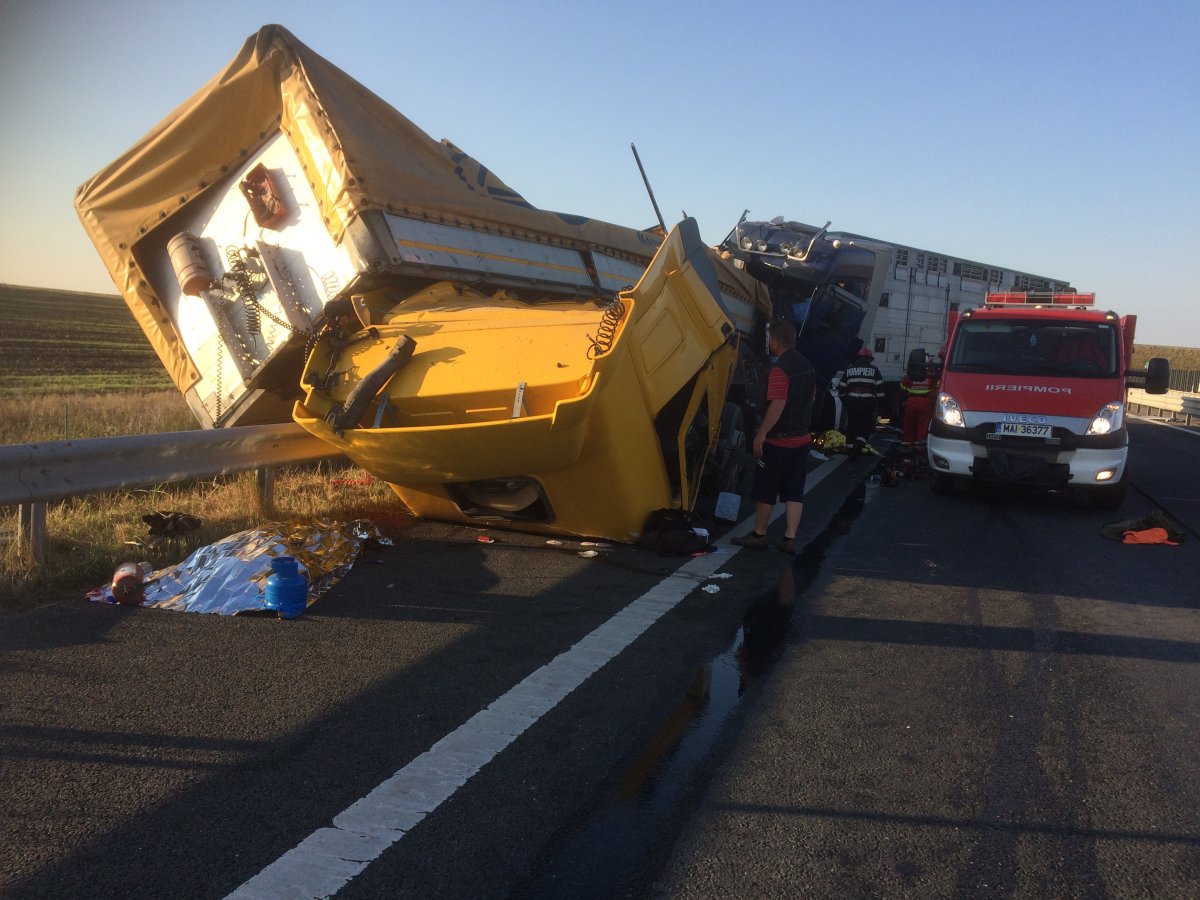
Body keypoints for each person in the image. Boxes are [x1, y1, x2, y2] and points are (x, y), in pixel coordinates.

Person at [732, 319, 816, 553]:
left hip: (779, 442)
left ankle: (759, 534)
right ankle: (789, 538)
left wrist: (761, 434)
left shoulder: (780, 369)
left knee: (766, 489)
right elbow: (811, 399)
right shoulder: (808, 366)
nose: (769, 343)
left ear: (776, 341)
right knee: (794, 491)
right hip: (801, 440)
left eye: (770, 339)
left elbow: (777, 404)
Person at [837, 347, 884, 459]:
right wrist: (880, 406)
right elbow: (881, 391)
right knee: (865, 427)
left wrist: (846, 401)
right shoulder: (875, 370)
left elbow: (841, 389)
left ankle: (850, 449)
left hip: (852, 403)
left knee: (852, 427)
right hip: (867, 404)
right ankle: (857, 447)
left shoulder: (849, 370)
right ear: (870, 359)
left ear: (858, 358)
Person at [899, 356, 937, 448]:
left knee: (908, 425)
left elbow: (902, 390)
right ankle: (919, 448)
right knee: (923, 427)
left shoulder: (909, 376)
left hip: (911, 402)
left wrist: (904, 402)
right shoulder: (932, 377)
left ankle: (907, 447)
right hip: (925, 403)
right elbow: (935, 393)